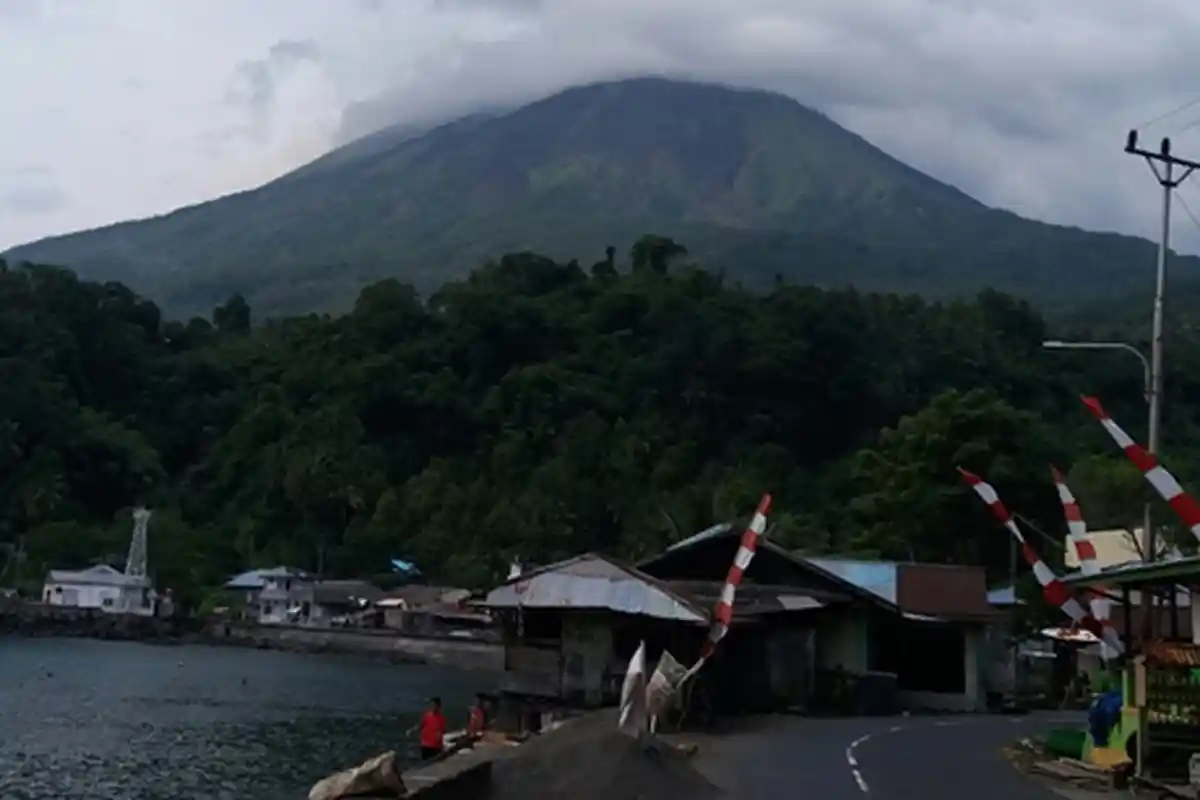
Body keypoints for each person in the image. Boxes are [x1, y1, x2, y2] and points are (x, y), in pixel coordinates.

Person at [411, 697, 446, 761]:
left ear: (438, 706)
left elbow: (442, 730)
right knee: (425, 764)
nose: (432, 707)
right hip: (426, 745)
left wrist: (439, 735)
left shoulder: (441, 718)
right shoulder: (427, 716)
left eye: (434, 705)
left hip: (436, 746)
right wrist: (411, 730)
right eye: (431, 705)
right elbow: (420, 725)